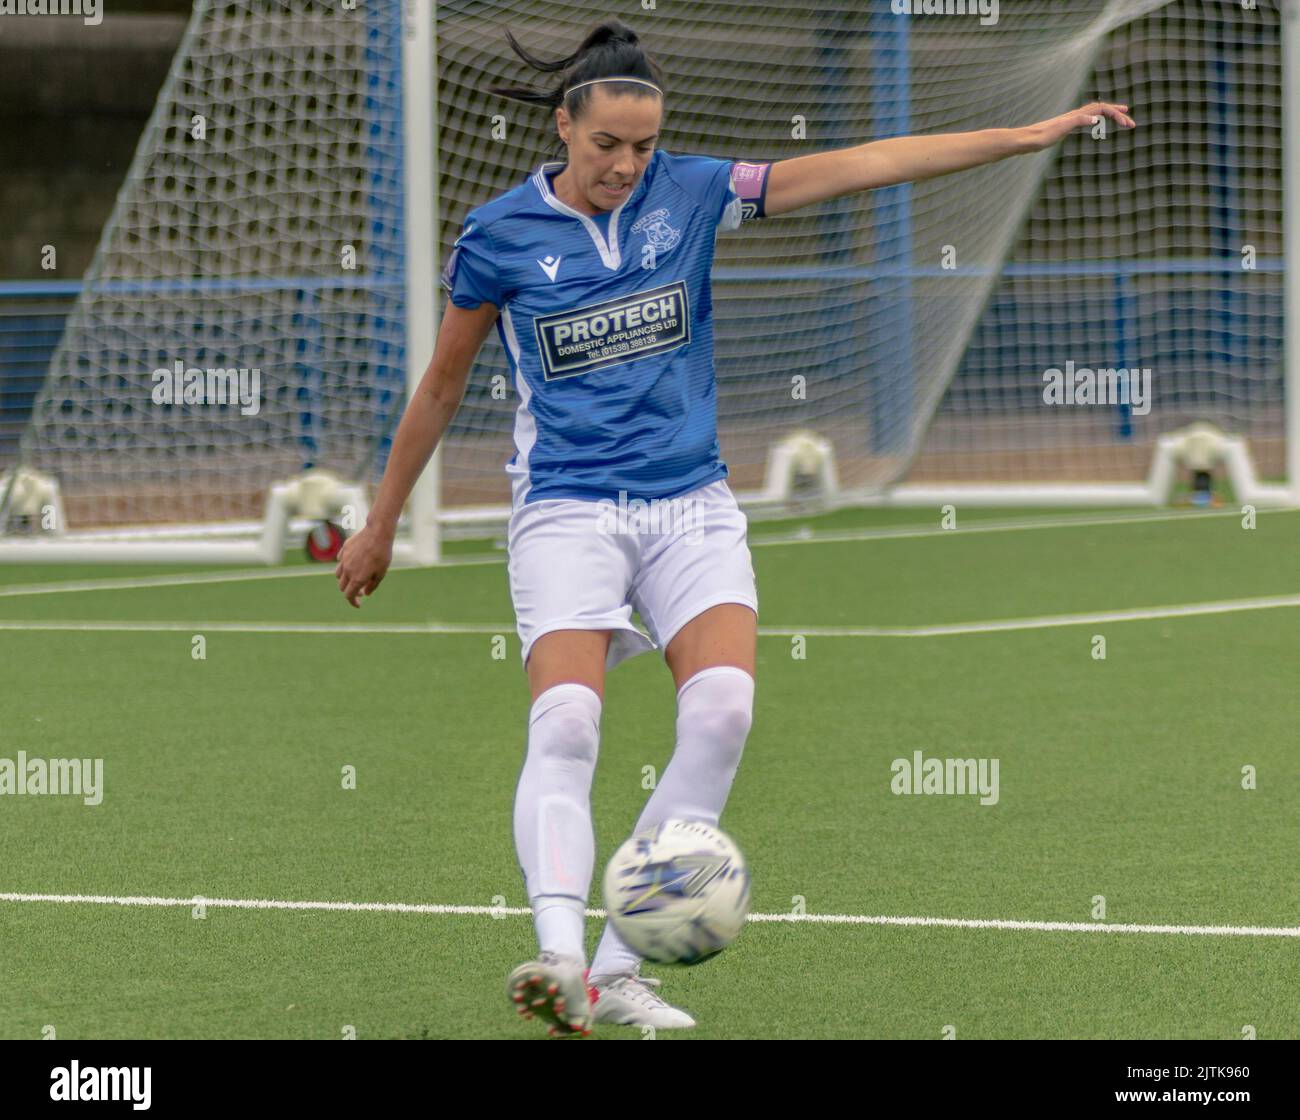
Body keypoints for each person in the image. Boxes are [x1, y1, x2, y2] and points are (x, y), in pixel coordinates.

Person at [336, 17, 1135, 1037]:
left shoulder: (697, 190)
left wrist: (1019, 137)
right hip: (566, 509)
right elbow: (440, 388)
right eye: (605, 146)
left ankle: (620, 967)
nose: (627, 164)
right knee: (570, 723)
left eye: (643, 145)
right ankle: (555, 954)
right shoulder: (498, 236)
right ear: (563, 126)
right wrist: (378, 525)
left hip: (690, 506)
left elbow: (864, 165)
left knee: (721, 713)